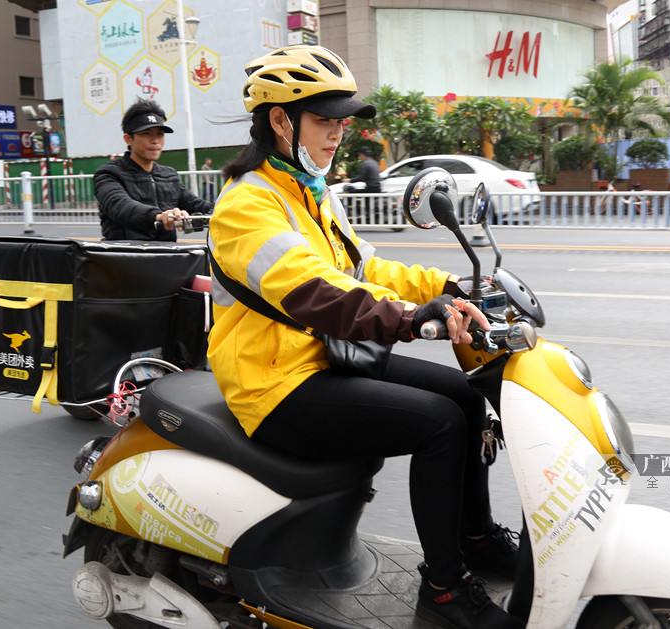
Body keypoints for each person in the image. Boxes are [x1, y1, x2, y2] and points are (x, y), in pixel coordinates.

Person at [208, 45, 522, 629]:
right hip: (276, 384)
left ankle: (475, 540)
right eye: (326, 120)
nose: (338, 134)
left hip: (326, 359)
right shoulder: (247, 205)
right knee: (440, 425)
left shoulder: (312, 191)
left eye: (342, 122)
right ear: (280, 120)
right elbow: (316, 292)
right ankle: (445, 589)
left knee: (468, 399)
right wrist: (409, 318)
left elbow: (366, 268)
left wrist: (455, 285)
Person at [94, 98, 212, 241]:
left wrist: (228, 207)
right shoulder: (108, 174)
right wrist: (158, 216)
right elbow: (120, 206)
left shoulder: (169, 175)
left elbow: (196, 205)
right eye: (146, 133)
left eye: (160, 134)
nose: (155, 140)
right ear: (128, 139)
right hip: (123, 256)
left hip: (166, 255)